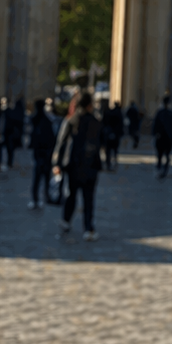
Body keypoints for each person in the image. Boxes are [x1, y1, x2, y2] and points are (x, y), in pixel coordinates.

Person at [52, 90, 102, 241]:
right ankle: (88, 228)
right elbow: (101, 142)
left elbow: (61, 143)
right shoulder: (95, 121)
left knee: (71, 194)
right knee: (88, 199)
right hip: (91, 165)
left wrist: (57, 163)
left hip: (73, 164)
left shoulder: (71, 120)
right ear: (89, 105)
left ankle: (66, 220)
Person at [27, 98, 55, 208]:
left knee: (37, 178)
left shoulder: (35, 120)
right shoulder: (46, 121)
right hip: (46, 153)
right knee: (45, 177)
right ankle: (46, 196)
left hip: (39, 153)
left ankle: (36, 198)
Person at [151, 93, 172, 179]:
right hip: (167, 138)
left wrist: (155, 134)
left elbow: (155, 125)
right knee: (166, 155)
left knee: (161, 155)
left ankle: (161, 168)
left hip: (162, 137)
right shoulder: (171, 114)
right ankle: (163, 169)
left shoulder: (161, 113)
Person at [100, 99, 123, 170]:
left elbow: (103, 124)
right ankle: (115, 161)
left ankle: (108, 163)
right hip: (115, 133)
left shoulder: (107, 113)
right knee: (115, 149)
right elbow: (120, 125)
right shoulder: (118, 113)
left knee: (108, 150)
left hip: (108, 133)